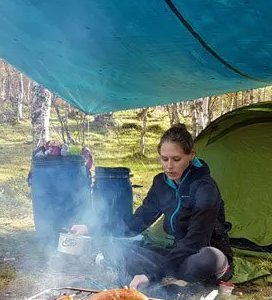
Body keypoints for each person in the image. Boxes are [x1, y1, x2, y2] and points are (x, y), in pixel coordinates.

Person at [72, 123, 233, 290]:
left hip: (202, 252)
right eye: (164, 159)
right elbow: (138, 222)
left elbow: (196, 241)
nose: (169, 166)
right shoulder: (161, 183)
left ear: (191, 155)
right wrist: (91, 228)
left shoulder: (204, 187)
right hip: (177, 253)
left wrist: (151, 274)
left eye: (176, 159)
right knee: (117, 248)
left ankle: (159, 275)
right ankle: (168, 276)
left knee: (205, 259)